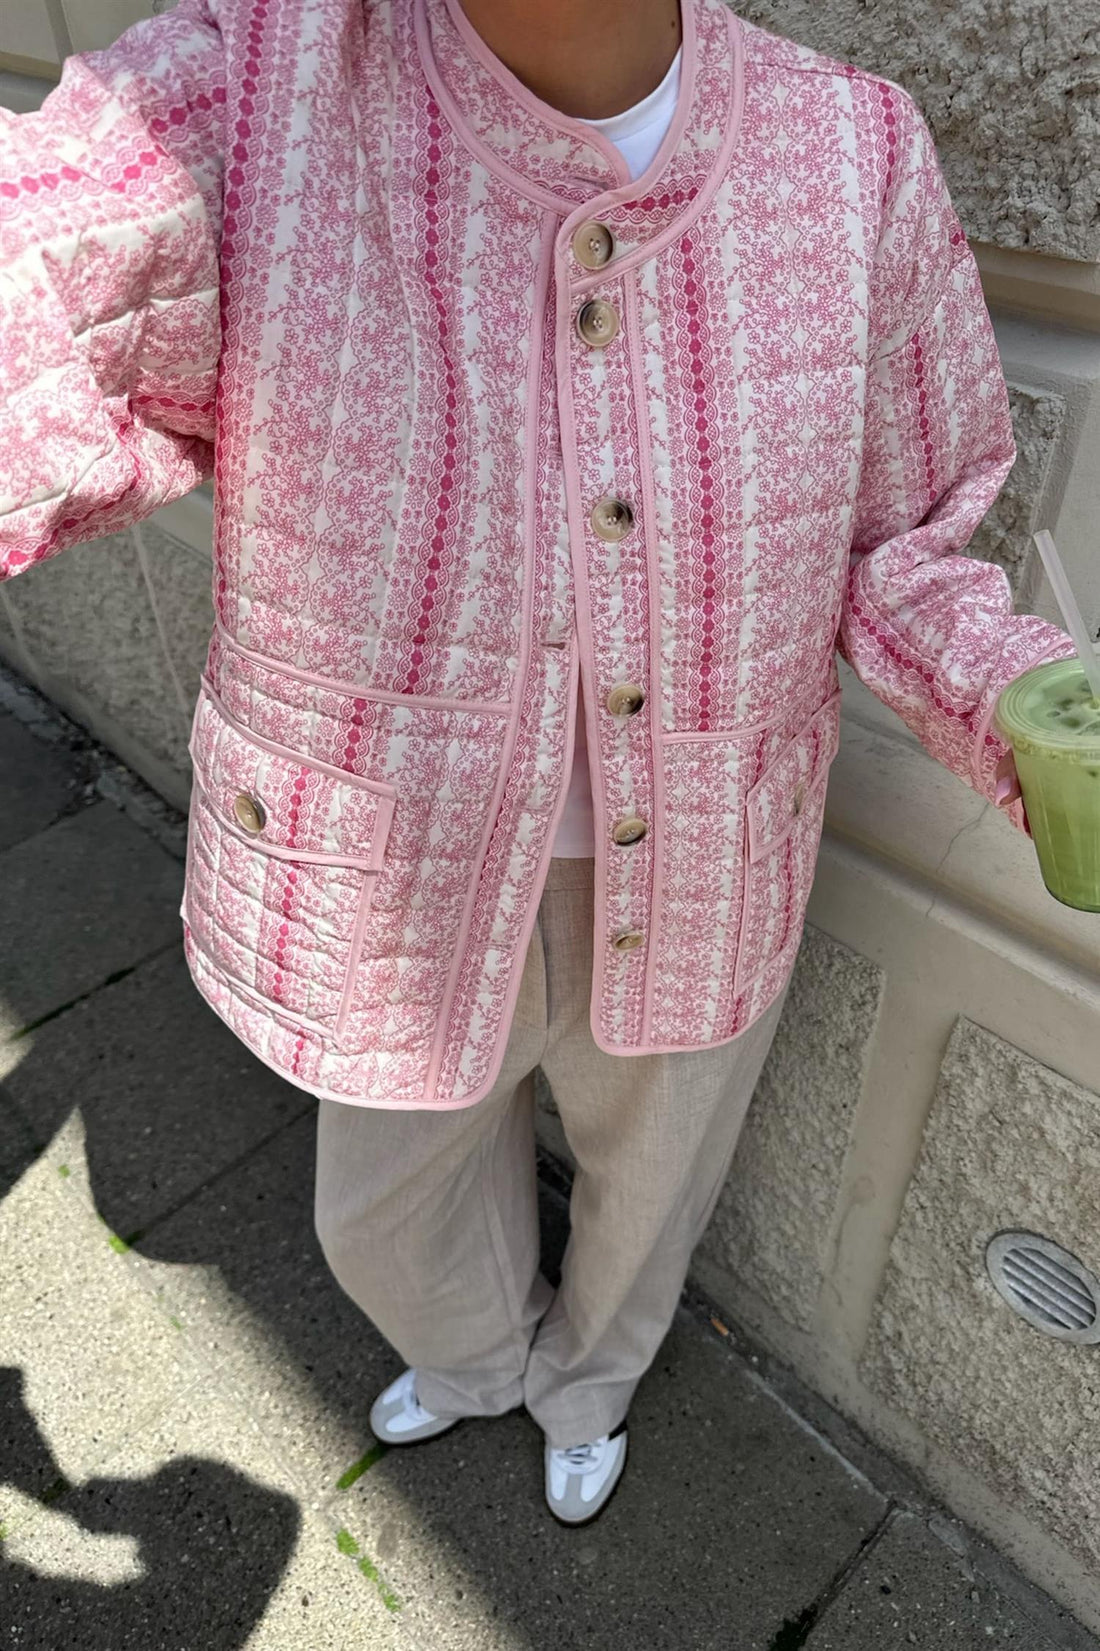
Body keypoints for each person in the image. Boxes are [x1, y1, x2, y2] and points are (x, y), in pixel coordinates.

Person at [0, 0, 1075, 1528]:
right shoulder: (253, 89)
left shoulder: (851, 152)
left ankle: (589, 1387)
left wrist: (1015, 694)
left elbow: (900, 535)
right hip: (393, 867)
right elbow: (45, 266)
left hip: (707, 853)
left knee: (654, 1182)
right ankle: (471, 1356)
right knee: (387, 1207)